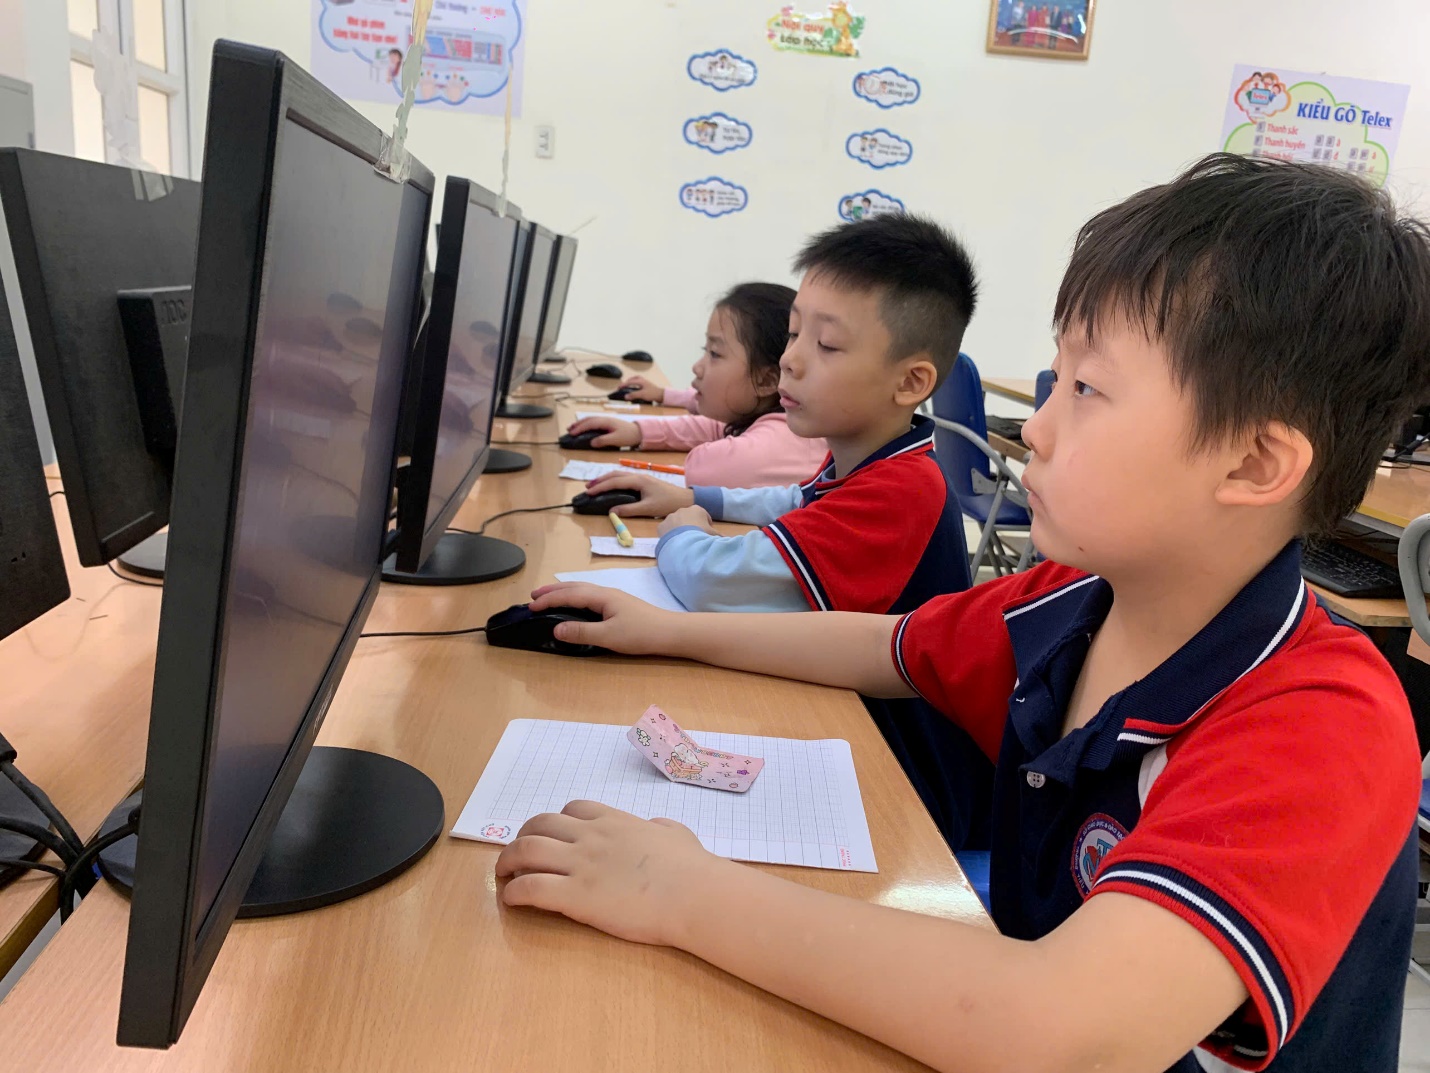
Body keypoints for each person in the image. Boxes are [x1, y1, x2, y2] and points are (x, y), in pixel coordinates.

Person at [498, 155, 1430, 1072]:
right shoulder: (1074, 601)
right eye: (1054, 378)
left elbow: (1064, 1033)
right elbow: (887, 645)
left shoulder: (1320, 719)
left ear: (1254, 466)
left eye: (1088, 390)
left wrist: (681, 888)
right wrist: (665, 630)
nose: (1038, 426)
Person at [576, 215, 990, 847]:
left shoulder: (903, 489)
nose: (791, 361)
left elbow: (714, 583)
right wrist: (692, 494)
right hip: (851, 736)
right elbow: (795, 497)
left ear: (910, 382)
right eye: (794, 333)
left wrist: (682, 527)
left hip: (905, 789)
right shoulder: (873, 453)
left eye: (825, 346)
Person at [569, 284, 827, 488]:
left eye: (714, 353)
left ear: (766, 381)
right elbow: (716, 426)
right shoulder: (775, 417)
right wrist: (638, 431)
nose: (697, 367)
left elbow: (703, 468)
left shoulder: (784, 440)